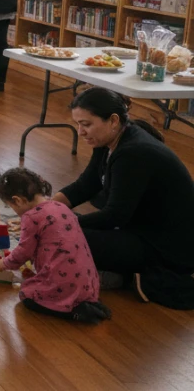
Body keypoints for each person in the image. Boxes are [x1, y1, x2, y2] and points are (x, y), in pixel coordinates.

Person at [52, 88, 194, 306]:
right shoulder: (110, 138)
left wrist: (63, 225)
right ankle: (115, 269)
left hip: (165, 247)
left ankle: (128, 274)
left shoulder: (133, 153)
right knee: (62, 223)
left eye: (86, 124)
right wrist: (46, 210)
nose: (80, 131)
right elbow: (86, 184)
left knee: (64, 235)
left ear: (113, 120)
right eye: (78, 124)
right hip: (139, 229)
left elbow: (115, 216)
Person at [0, 168, 110, 324]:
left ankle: (75, 312)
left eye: (11, 206)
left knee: (27, 295)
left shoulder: (31, 217)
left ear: (18, 200)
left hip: (63, 282)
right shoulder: (61, 206)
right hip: (88, 280)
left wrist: (4, 263)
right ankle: (88, 303)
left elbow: (23, 252)